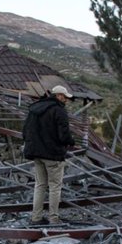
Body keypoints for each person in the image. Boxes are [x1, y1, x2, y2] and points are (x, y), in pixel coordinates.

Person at [22, 85, 76, 225]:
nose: (66, 100)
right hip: (53, 155)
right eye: (64, 97)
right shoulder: (59, 111)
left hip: (36, 153)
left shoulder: (35, 109)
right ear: (58, 96)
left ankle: (36, 218)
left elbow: (25, 131)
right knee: (54, 187)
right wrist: (71, 142)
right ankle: (53, 218)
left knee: (40, 185)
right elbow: (64, 136)